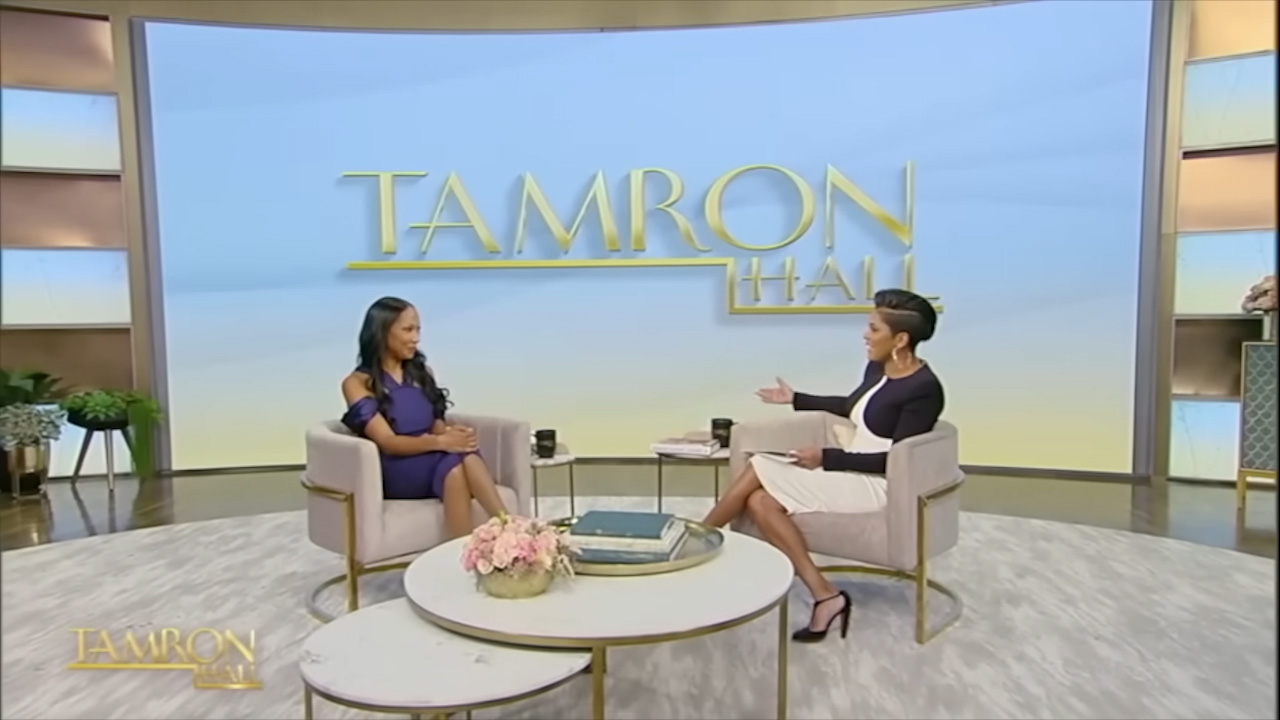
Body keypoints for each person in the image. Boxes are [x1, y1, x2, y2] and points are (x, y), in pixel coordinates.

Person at [702, 288, 944, 643]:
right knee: (759, 501)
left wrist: (826, 458)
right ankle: (826, 596)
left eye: (874, 329)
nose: (865, 334)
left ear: (901, 339)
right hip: (848, 471)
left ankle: (700, 539)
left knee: (760, 467)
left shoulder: (924, 389)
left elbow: (897, 461)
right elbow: (853, 406)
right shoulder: (877, 368)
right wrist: (796, 399)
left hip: (878, 483)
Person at [340, 296, 508, 538]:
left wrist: (450, 435)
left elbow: (435, 424)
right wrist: (441, 442)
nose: (416, 338)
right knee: (459, 457)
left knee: (457, 466)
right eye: (408, 329)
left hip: (432, 457)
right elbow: (388, 442)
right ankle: (509, 527)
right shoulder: (356, 383)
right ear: (382, 332)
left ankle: (464, 551)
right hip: (398, 468)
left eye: (418, 329)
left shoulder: (421, 372)